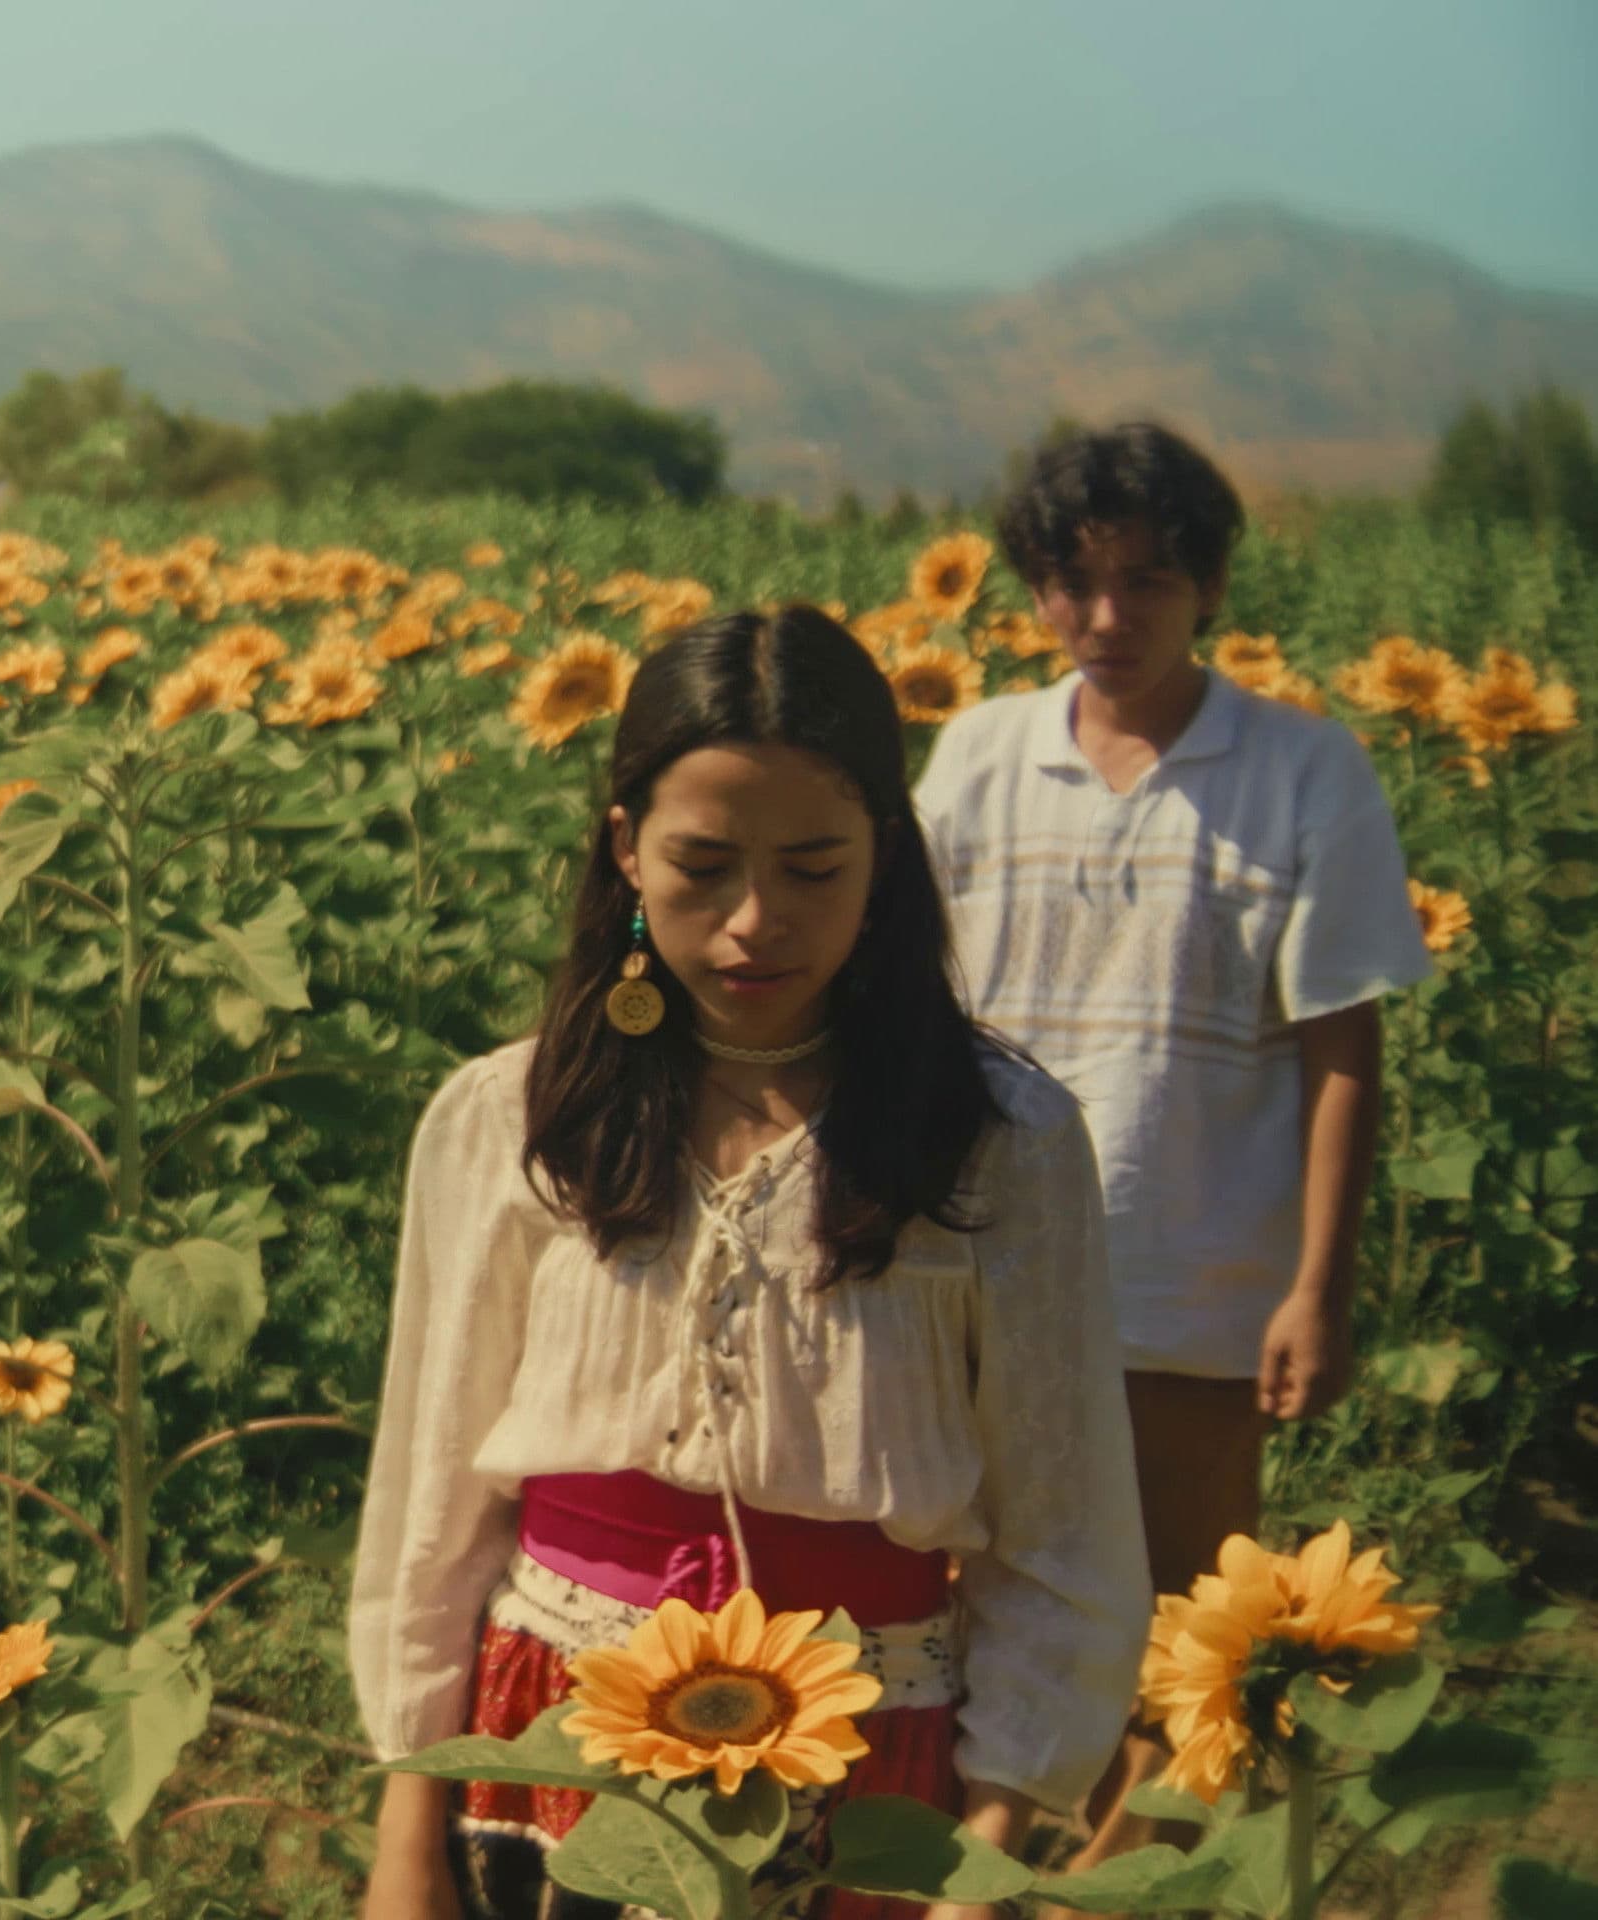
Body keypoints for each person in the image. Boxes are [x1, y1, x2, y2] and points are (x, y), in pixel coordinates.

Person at [350, 606, 1149, 1920]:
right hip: (553, 1749)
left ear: (885, 862)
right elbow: (429, 1499)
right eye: (701, 865)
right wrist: (403, 1826)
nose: (752, 922)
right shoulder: (512, 1119)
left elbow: (1061, 1534)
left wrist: (989, 1851)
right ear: (623, 848)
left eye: (813, 867)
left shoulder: (998, 1142)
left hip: (869, 1766)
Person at [908, 421, 1434, 1862]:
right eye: (1070, 583)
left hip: (1194, 1273)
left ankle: (1127, 1886)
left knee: (1181, 1626)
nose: (1103, 618)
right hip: (981, 1261)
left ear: (1206, 588)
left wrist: (1315, 1288)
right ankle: (971, 1880)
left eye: (1144, 581)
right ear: (1028, 593)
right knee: (971, 1599)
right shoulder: (974, 756)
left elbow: (1340, 1041)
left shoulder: (1300, 770)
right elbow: (902, 997)